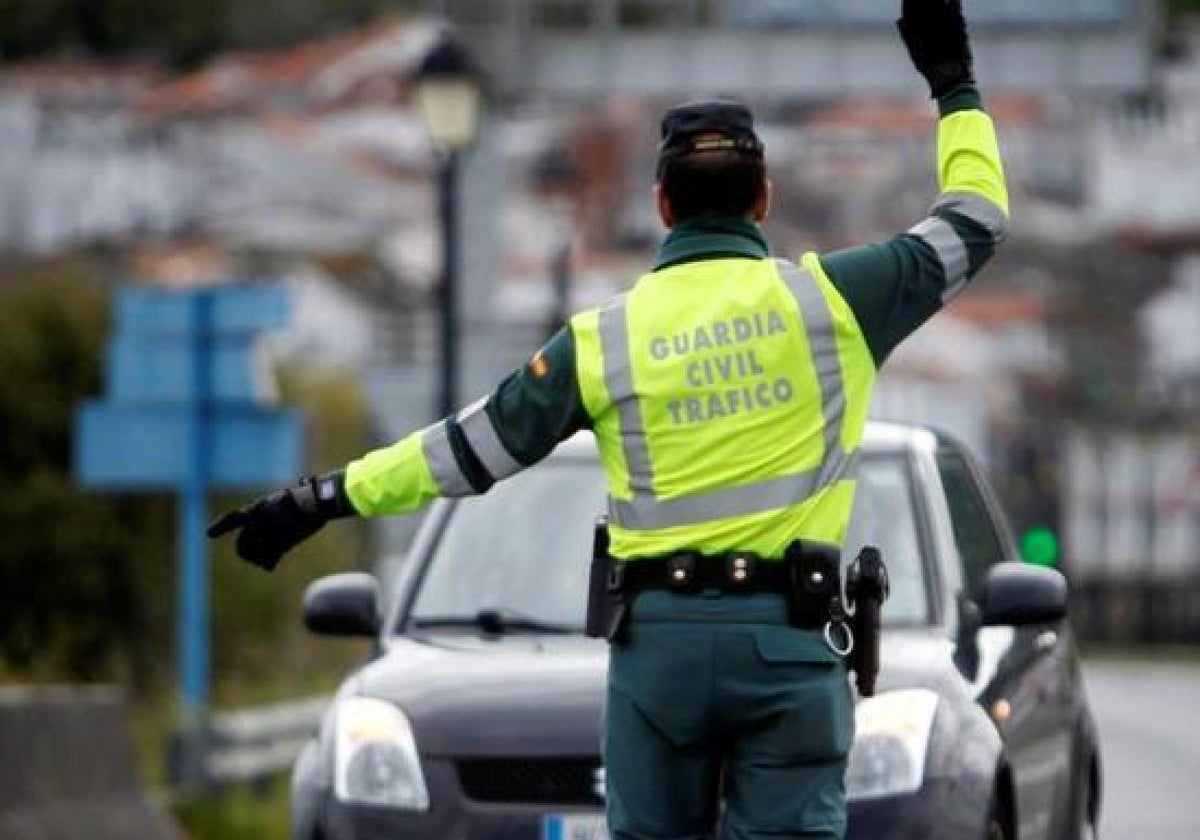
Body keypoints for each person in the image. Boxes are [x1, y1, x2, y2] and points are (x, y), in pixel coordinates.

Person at [209, 2, 1007, 837]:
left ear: (662, 205)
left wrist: (323, 497)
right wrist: (954, 86)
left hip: (658, 653)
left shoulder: (603, 341)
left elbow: (466, 452)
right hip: (788, 646)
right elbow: (977, 220)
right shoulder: (837, 302)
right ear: (763, 198)